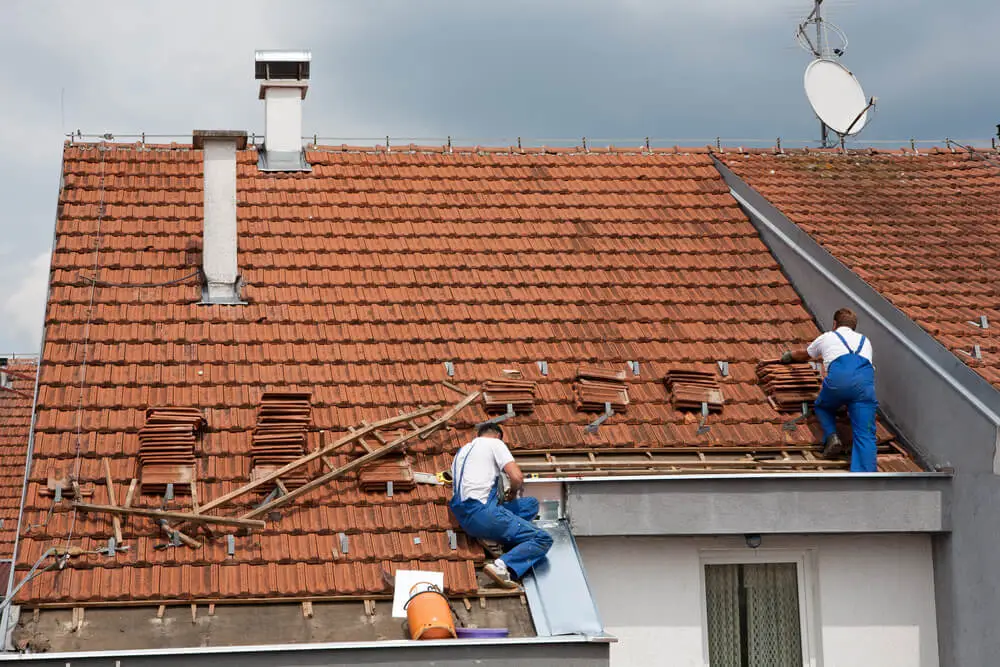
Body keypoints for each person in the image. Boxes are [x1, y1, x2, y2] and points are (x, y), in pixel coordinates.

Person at [448, 423, 553, 588]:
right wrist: (512, 492)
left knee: (530, 504)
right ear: (497, 436)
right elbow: (517, 477)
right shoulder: (495, 443)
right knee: (542, 538)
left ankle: (503, 538)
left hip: (464, 516)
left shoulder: (462, 451)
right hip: (484, 515)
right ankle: (501, 566)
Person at [781, 307, 878, 472]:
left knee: (822, 406)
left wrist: (789, 356)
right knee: (866, 434)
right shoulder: (865, 340)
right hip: (864, 386)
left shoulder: (828, 337)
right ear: (854, 326)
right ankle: (866, 478)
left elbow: (805, 354)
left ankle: (831, 436)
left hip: (838, 382)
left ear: (835, 324)